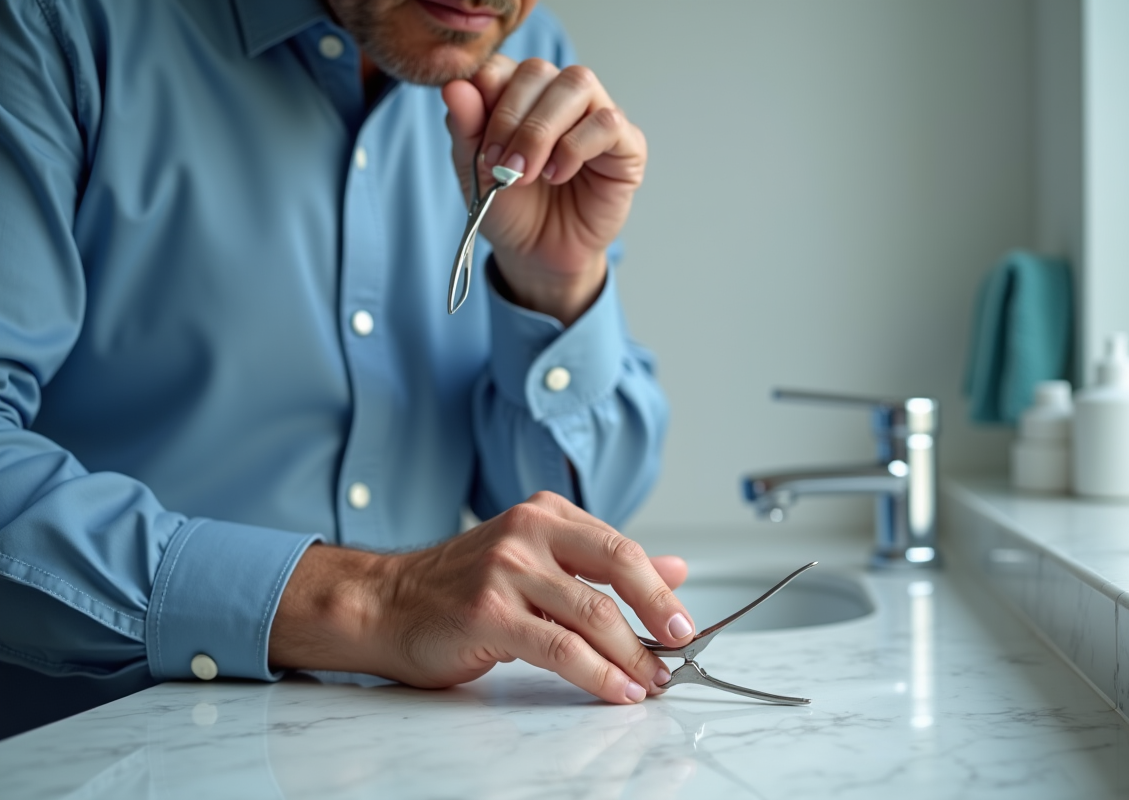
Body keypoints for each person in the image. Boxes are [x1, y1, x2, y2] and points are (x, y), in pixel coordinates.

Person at [0, 0, 691, 733]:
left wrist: (554, 286)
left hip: (413, 759)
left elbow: (572, 510)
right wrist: (369, 599)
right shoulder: (57, 27)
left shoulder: (522, 54)